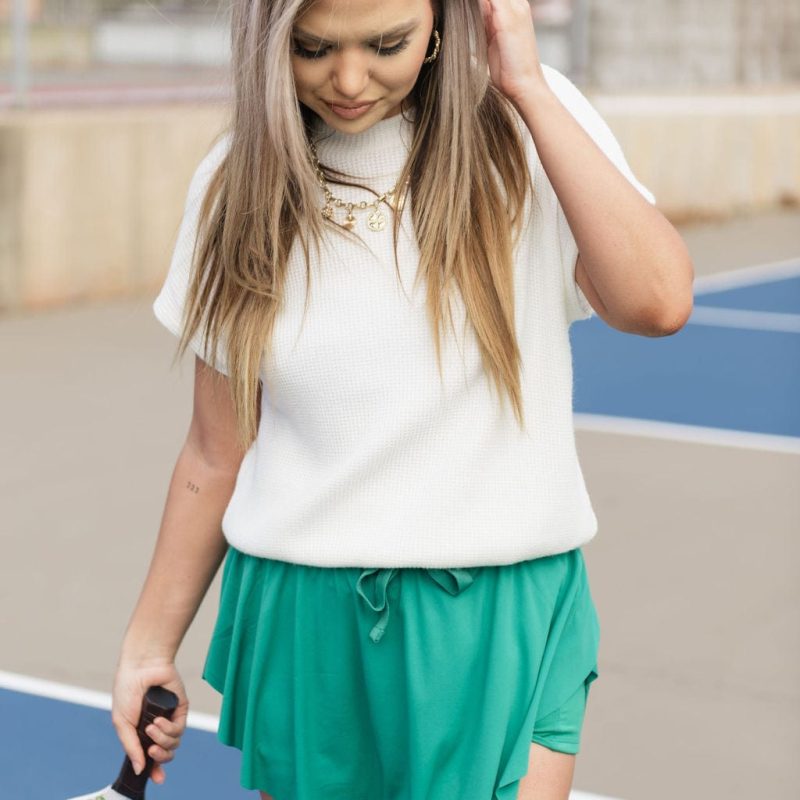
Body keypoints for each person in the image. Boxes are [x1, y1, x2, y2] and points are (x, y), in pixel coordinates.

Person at [111, 0, 694, 798]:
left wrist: (524, 83)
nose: (348, 81)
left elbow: (656, 302)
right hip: (306, 623)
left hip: (504, 609)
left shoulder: (525, 131)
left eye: (386, 44)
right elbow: (217, 448)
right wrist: (149, 645)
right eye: (312, 49)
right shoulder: (233, 182)